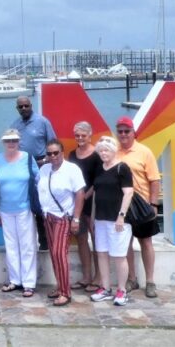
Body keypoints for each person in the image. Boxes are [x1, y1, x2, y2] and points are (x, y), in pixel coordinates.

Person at [115, 116, 161, 298]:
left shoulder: (144, 151)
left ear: (134, 132)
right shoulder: (114, 151)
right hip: (121, 206)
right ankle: (131, 279)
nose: (124, 134)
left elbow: (155, 180)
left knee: (146, 242)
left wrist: (154, 204)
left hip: (141, 205)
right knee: (124, 244)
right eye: (120, 131)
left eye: (127, 131)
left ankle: (150, 281)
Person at [36, 139, 86, 306]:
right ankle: (60, 286)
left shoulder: (72, 170)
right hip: (48, 216)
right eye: (49, 153)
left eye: (55, 153)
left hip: (63, 217)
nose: (52, 156)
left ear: (62, 152)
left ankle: (65, 292)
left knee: (59, 253)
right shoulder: (44, 169)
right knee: (53, 254)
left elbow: (80, 194)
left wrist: (76, 219)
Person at [0, 129, 40, 298]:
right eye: (7, 140)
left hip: (24, 209)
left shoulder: (27, 158)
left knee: (27, 246)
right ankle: (15, 280)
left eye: (14, 140)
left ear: (19, 141)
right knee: (11, 247)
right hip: (5, 210)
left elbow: (38, 179)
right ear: (3, 142)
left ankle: (29, 283)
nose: (11, 143)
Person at [89, 136, 135, 307]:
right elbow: (96, 193)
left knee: (119, 255)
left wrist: (121, 215)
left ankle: (121, 289)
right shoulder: (100, 168)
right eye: (100, 151)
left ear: (113, 150)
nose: (103, 153)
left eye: (106, 150)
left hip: (118, 220)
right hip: (101, 219)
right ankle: (105, 287)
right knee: (101, 253)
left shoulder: (122, 168)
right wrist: (93, 217)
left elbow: (128, 193)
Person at [10, 95, 57, 250]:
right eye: (20, 107)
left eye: (26, 106)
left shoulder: (43, 122)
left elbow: (53, 144)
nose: (24, 109)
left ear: (31, 105)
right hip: (23, 167)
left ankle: (45, 242)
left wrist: (45, 161)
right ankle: (28, 242)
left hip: (41, 165)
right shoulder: (15, 125)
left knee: (42, 204)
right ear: (17, 109)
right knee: (27, 204)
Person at [66, 121, 102, 292]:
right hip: (78, 203)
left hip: (93, 202)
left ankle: (99, 277)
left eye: (83, 135)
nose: (80, 138)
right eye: (77, 135)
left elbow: (98, 180)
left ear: (90, 135)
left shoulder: (97, 154)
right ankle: (87, 276)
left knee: (97, 240)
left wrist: (85, 196)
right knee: (81, 239)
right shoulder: (72, 154)